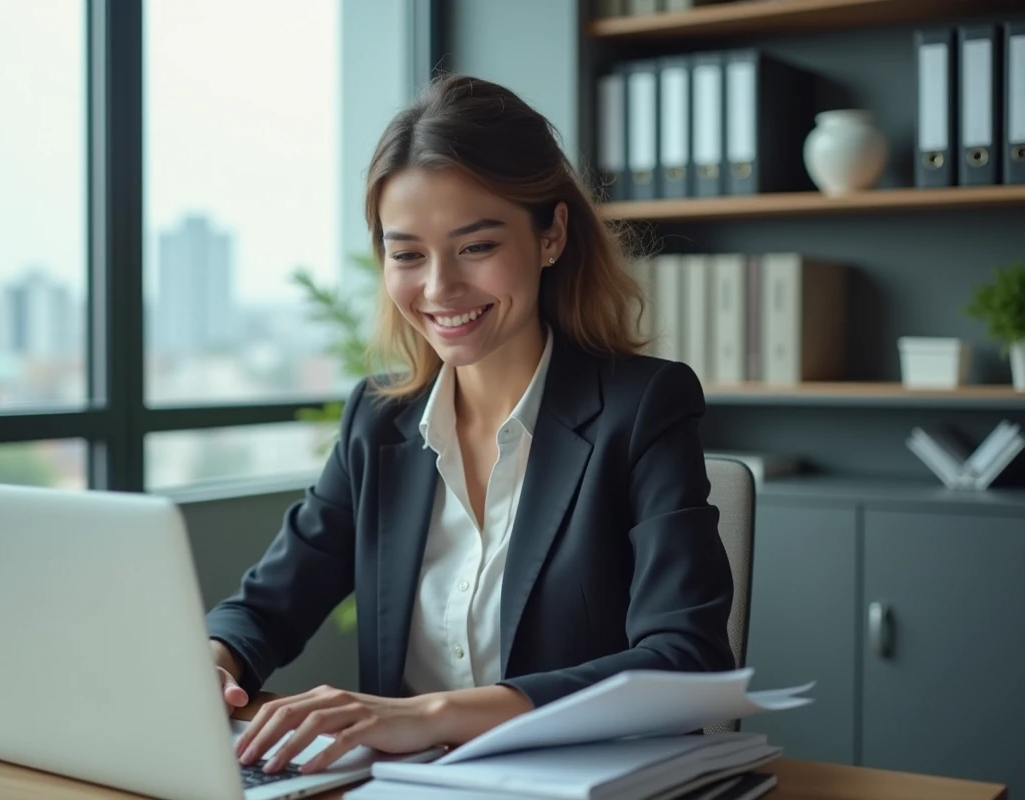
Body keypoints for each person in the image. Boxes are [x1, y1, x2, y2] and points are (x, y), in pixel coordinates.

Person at [207, 73, 735, 776]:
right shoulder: (379, 420)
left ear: (551, 235)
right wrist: (215, 663)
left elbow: (686, 661)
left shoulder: (643, 409)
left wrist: (429, 715)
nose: (438, 288)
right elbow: (267, 605)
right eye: (407, 255)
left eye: (476, 247)